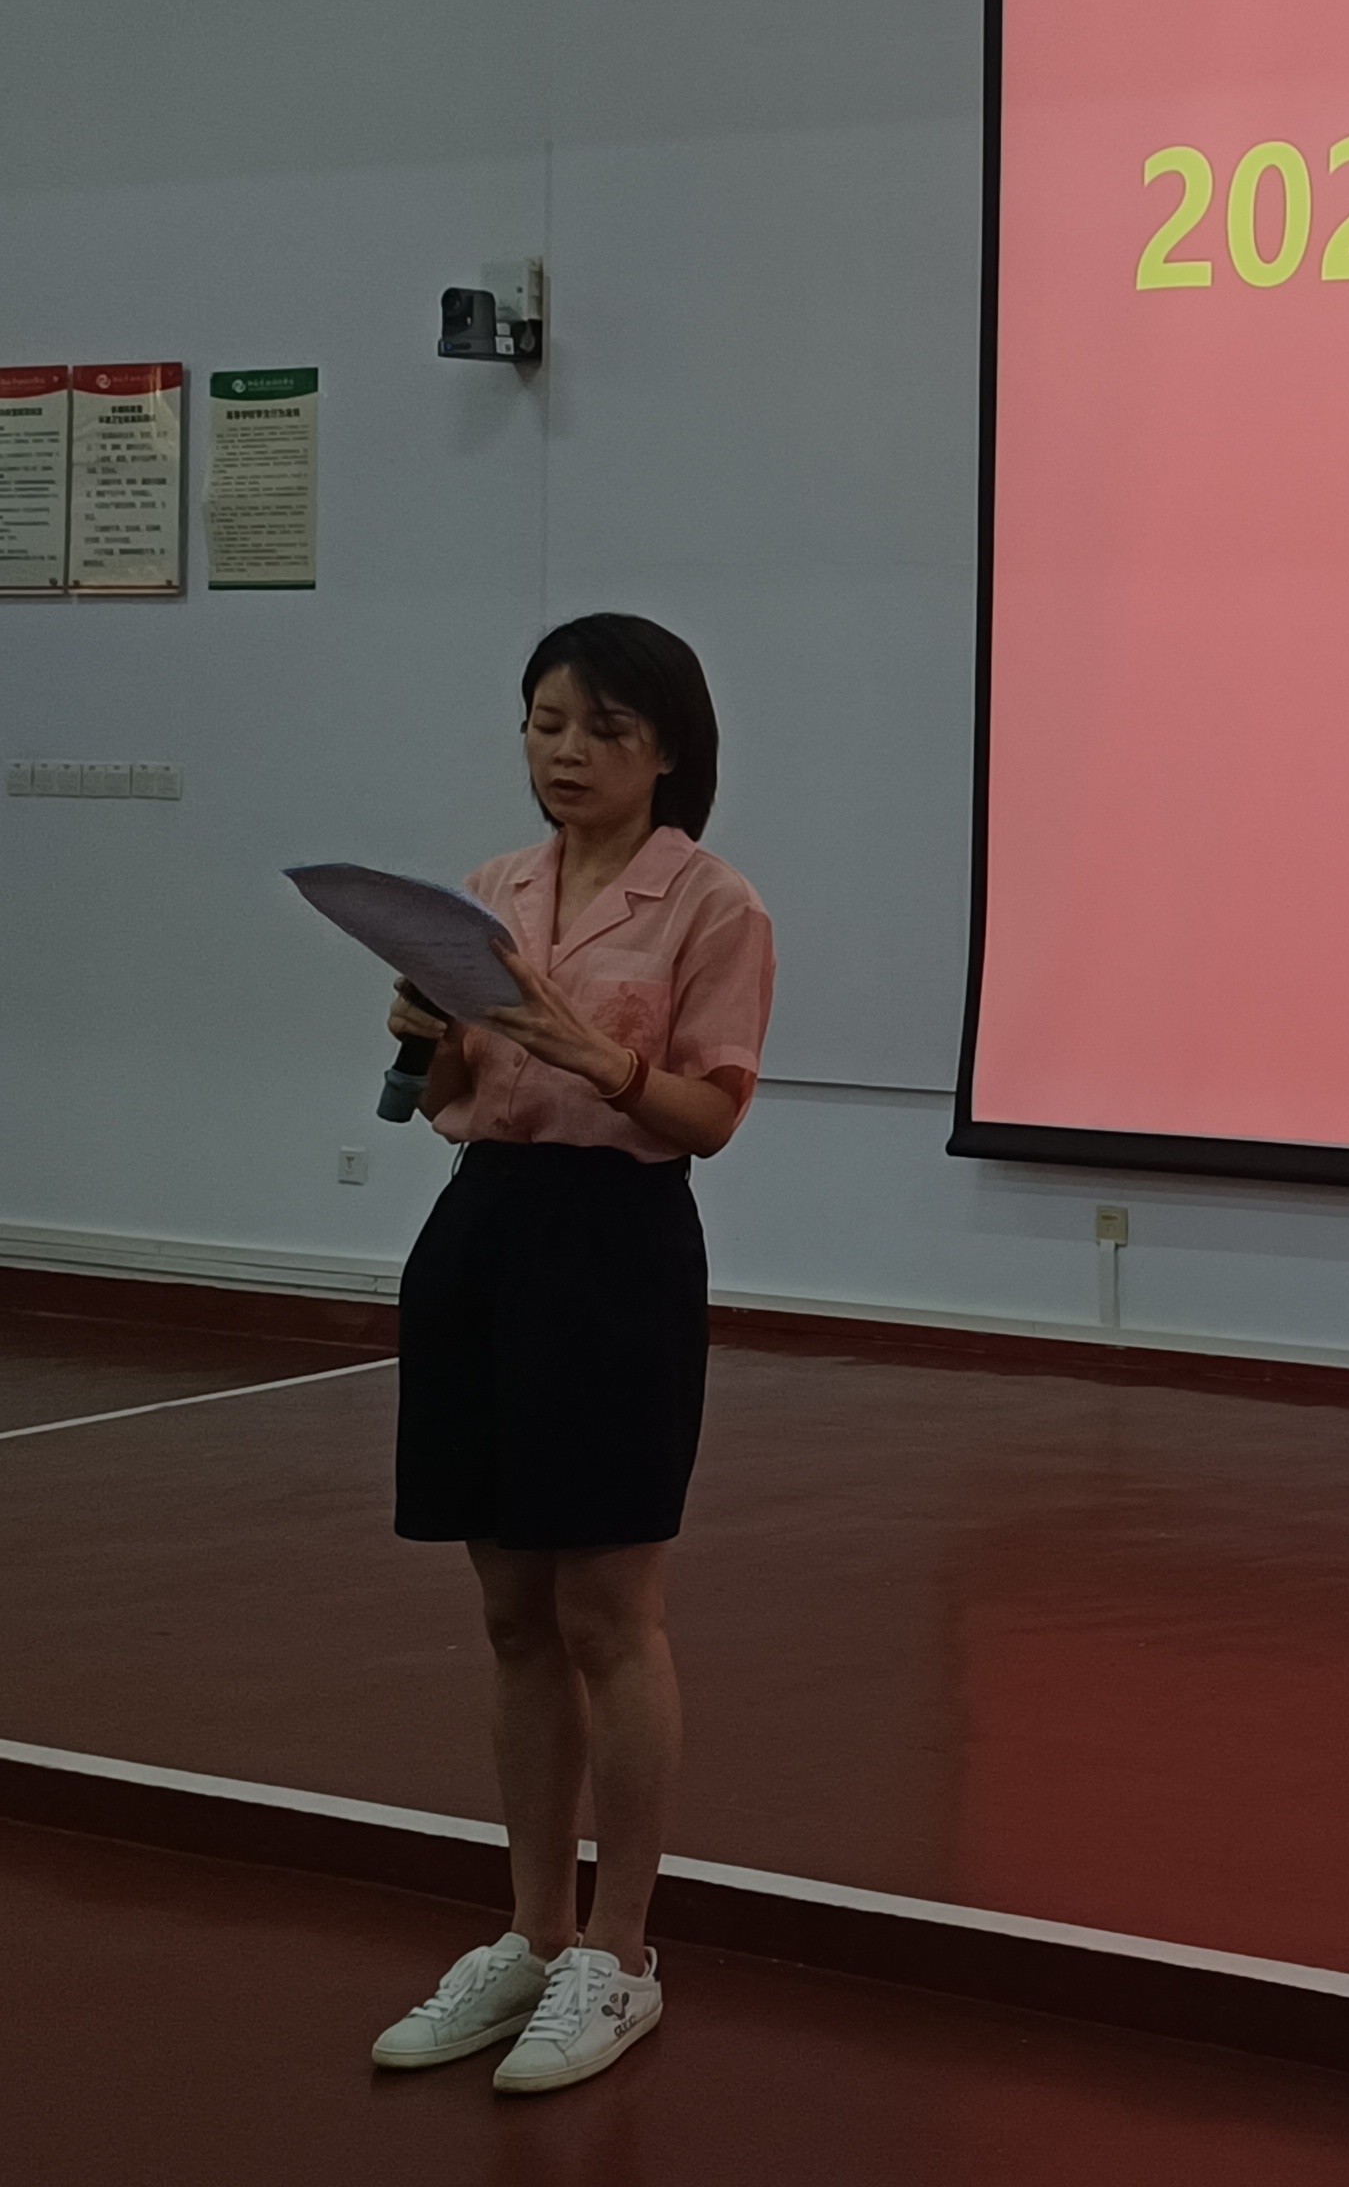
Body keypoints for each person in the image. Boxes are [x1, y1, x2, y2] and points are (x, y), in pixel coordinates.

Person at [361, 614, 773, 2097]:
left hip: (617, 1249)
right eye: (545, 724)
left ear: (668, 747)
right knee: (512, 1612)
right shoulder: (489, 892)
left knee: (608, 1609)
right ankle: (532, 1937)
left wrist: (588, 1050)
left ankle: (621, 1954)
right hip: (482, 1234)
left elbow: (711, 1116)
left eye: (603, 728)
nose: (567, 753)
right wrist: (436, 1034)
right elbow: (451, 1097)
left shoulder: (713, 904)